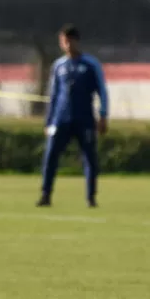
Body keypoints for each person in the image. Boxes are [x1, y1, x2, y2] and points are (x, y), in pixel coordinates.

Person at [39, 24, 108, 208]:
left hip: (84, 118)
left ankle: (91, 197)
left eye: (70, 40)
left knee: (89, 158)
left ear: (76, 41)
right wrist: (49, 121)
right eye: (64, 41)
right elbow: (53, 95)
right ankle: (46, 195)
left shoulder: (90, 64)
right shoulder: (59, 66)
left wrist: (103, 115)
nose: (67, 44)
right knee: (51, 156)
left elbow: (102, 91)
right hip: (61, 119)